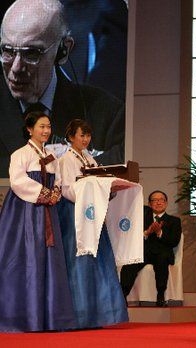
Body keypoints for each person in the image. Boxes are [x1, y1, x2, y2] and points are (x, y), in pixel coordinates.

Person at [0, 0, 125, 178]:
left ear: (63, 51)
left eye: (31, 53)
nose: (16, 68)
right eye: (8, 51)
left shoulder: (108, 113)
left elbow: (123, 163)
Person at [0, 111, 76, 332]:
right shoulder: (20, 154)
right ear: (29, 129)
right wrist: (44, 193)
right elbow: (17, 181)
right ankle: (23, 316)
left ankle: (50, 317)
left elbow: (59, 180)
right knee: (27, 256)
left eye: (48, 126)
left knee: (48, 257)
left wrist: (55, 192)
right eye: (41, 126)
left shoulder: (52, 157)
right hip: (25, 210)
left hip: (47, 211)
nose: (46, 131)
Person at [57, 119, 128, 329]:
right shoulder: (65, 160)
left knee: (98, 262)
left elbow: (99, 184)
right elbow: (67, 190)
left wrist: (109, 190)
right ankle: (79, 315)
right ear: (71, 137)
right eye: (82, 135)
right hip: (75, 215)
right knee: (78, 263)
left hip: (92, 215)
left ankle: (98, 314)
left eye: (88, 135)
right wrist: (90, 195)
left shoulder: (90, 158)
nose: (86, 139)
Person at [120, 190, 182, 307]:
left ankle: (160, 295)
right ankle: (122, 295)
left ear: (166, 203)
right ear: (149, 204)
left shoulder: (174, 221)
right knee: (131, 262)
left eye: (161, 200)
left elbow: (174, 242)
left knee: (162, 258)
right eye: (154, 200)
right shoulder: (141, 219)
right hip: (145, 252)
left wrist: (159, 232)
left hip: (163, 252)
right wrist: (147, 232)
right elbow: (133, 239)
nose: (158, 202)